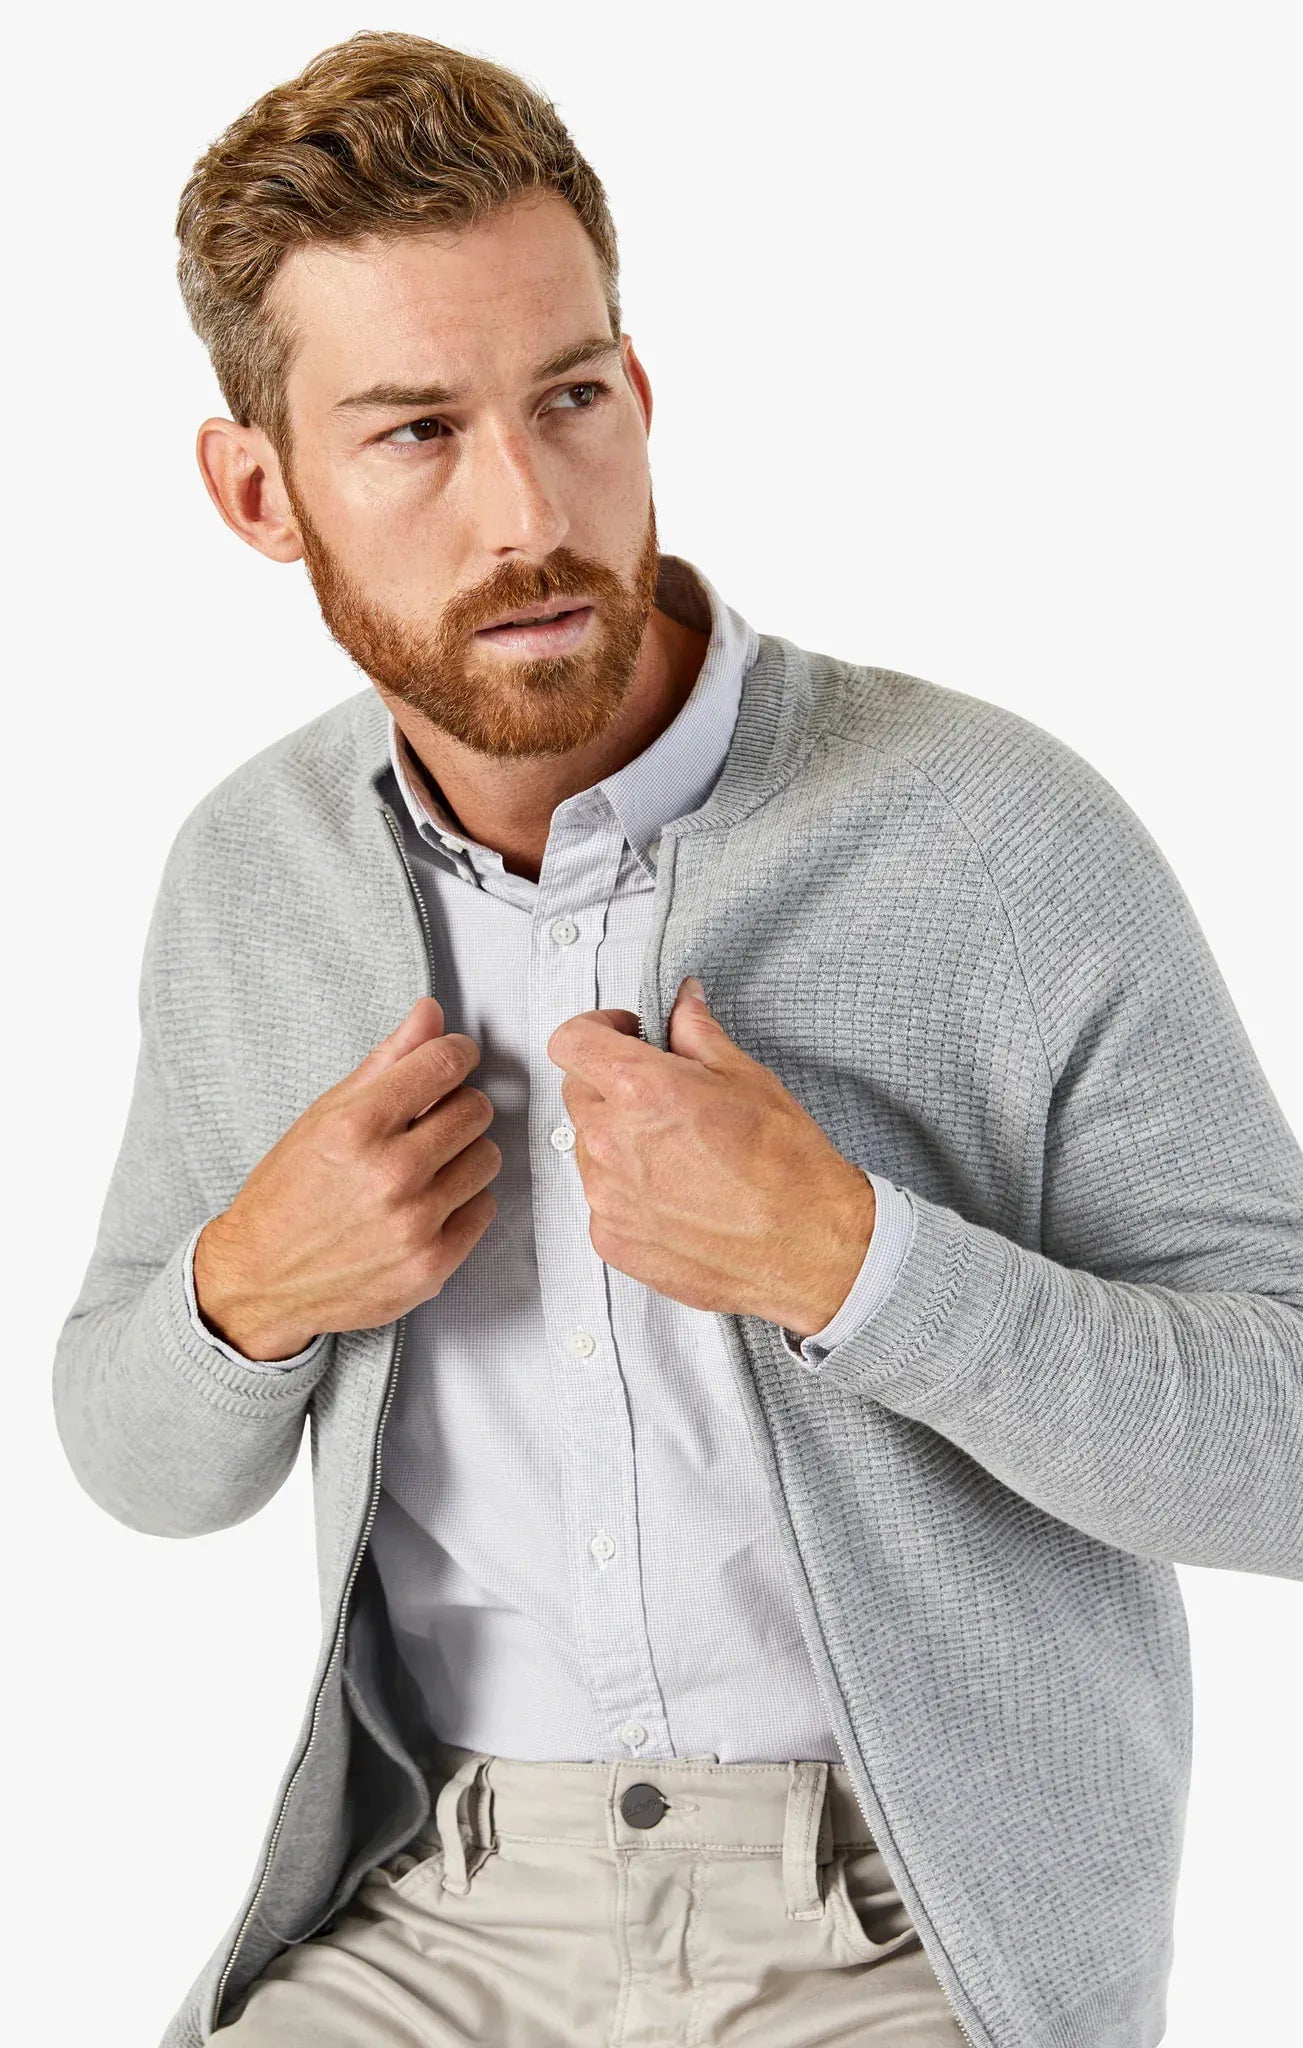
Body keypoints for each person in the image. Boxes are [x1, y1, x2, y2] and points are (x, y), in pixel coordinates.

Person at [51, 29, 1303, 2048]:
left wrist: (856, 1266)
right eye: (416, 431)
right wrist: (246, 1291)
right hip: (437, 1904)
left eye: (569, 398)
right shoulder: (248, 877)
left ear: (639, 393)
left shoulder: (991, 834)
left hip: (898, 1925)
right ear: (258, 491)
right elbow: (129, 1454)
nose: (529, 510)